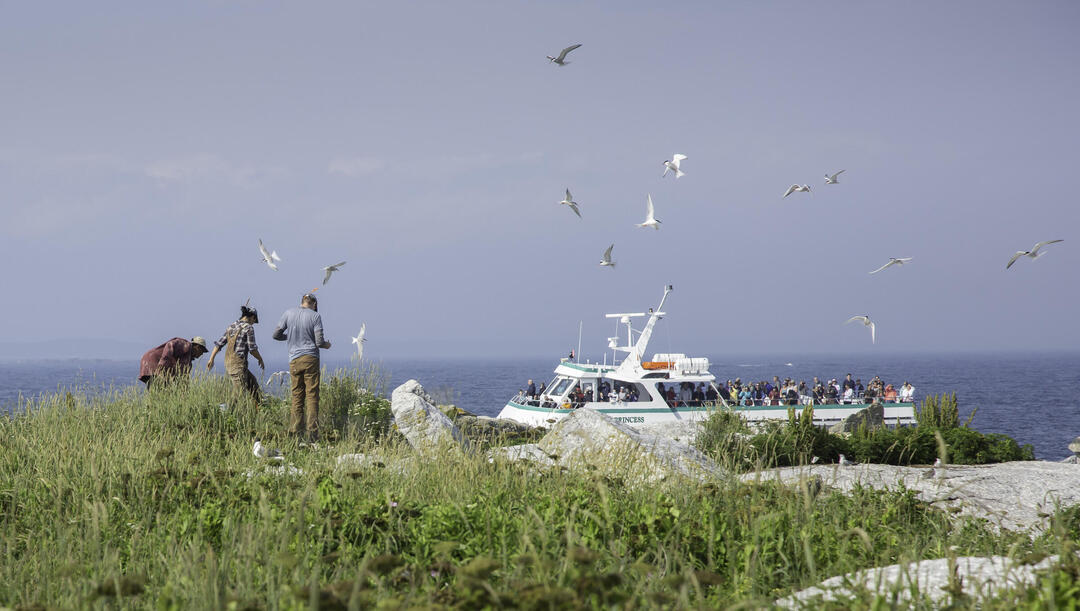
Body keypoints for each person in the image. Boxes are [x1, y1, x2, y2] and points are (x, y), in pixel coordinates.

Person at [272, 293, 331, 443]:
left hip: (294, 359)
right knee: (311, 395)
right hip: (310, 358)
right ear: (314, 304)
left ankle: (294, 433)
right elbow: (319, 342)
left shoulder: (288, 313)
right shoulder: (315, 317)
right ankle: (312, 435)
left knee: (297, 396)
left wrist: (290, 336)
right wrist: (327, 345)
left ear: (302, 302)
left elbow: (276, 334)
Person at [206, 304, 265, 403]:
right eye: (254, 321)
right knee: (238, 395)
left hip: (229, 363)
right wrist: (260, 359)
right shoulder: (248, 328)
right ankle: (230, 414)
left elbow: (219, 344)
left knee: (253, 385)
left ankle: (260, 410)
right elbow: (252, 349)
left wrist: (211, 359)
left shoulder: (231, 326)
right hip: (238, 365)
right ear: (252, 317)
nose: (253, 323)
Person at [139, 336, 208, 388]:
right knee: (160, 391)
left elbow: (183, 378)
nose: (202, 354)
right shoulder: (186, 345)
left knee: (160, 390)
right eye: (202, 351)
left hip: (151, 364)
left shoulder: (187, 361)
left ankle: (152, 406)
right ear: (197, 347)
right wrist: (161, 366)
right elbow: (170, 345)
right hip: (153, 362)